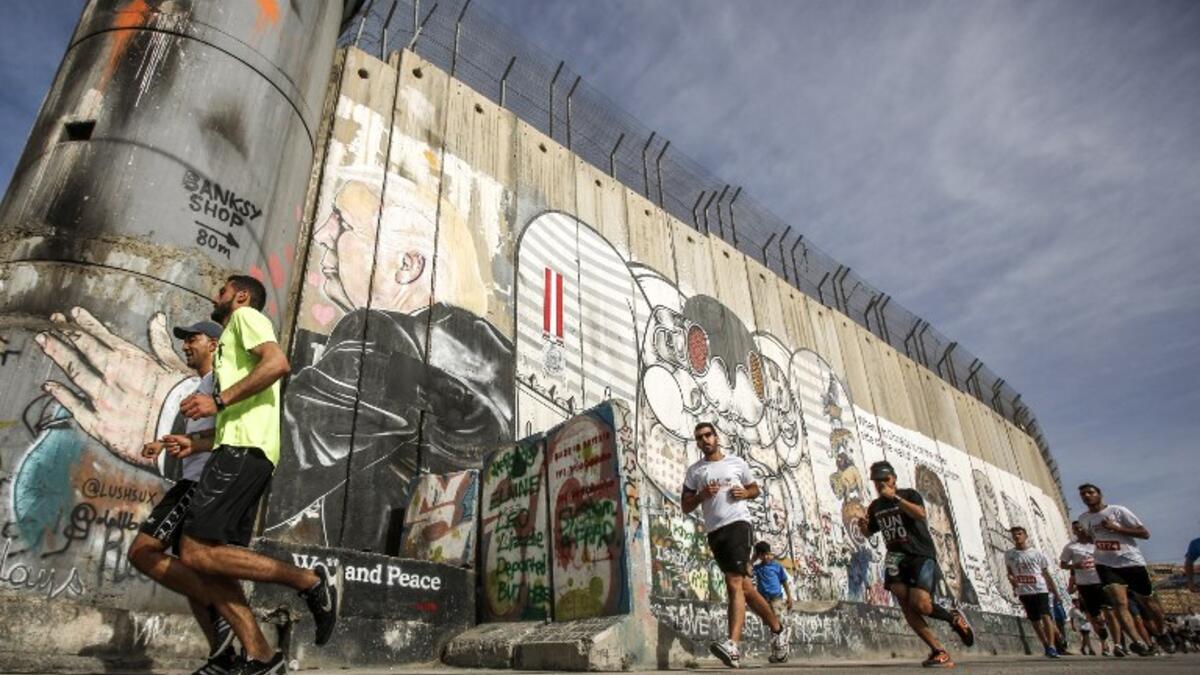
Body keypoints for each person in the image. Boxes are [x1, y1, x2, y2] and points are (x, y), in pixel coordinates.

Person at [165, 275, 343, 675]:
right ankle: (262, 659)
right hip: (238, 449)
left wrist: (217, 400)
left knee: (192, 552)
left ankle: (310, 581)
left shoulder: (245, 318)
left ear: (241, 296)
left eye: (222, 291)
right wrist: (198, 440)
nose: (216, 296)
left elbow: (278, 363)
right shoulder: (231, 343)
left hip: (245, 450)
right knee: (211, 562)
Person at [126, 320, 237, 671]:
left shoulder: (222, 381)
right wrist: (163, 443)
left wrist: (196, 447)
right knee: (194, 570)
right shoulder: (200, 385)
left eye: (193, 339)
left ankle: (225, 611)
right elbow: (202, 433)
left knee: (143, 552)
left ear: (215, 344)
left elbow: (235, 429)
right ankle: (224, 657)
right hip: (192, 479)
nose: (186, 345)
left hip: (203, 482)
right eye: (185, 340)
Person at [682, 422, 789, 667]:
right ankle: (778, 629)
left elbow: (755, 489)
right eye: (699, 438)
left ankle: (733, 646)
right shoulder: (695, 472)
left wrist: (745, 493)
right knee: (746, 588)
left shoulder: (736, 463)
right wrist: (701, 495)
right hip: (714, 532)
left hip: (738, 525)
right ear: (697, 443)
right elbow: (685, 505)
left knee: (733, 583)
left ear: (716, 437)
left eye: (708, 435)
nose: (705, 440)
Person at [857, 461, 974, 668]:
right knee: (905, 602)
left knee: (921, 604)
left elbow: (920, 514)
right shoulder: (875, 507)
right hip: (895, 556)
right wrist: (863, 527)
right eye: (877, 481)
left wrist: (895, 498)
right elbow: (870, 532)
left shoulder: (909, 494)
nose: (881, 484)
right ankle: (939, 650)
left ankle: (953, 618)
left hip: (920, 555)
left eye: (885, 479)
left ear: (893, 479)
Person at [1076, 483, 1173, 656]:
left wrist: (1117, 528)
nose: (1087, 496)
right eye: (1083, 494)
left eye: (1090, 492)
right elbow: (1093, 539)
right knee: (1119, 604)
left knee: (1148, 603)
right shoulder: (1083, 519)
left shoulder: (1118, 511)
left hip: (1131, 562)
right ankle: (1137, 643)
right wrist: (1085, 538)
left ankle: (1162, 632)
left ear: (1099, 494)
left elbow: (1145, 533)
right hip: (1105, 564)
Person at [1005, 526, 1062, 658]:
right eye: (1014, 535)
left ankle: (1053, 646)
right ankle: (1046, 644)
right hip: (1024, 591)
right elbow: (1009, 572)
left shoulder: (1037, 554)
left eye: (1019, 534)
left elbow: (1046, 573)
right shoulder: (1009, 555)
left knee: (1046, 616)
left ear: (1025, 536)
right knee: (1035, 620)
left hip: (1040, 589)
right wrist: (1012, 581)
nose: (1017, 537)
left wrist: (1056, 593)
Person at [1060, 521, 1113, 656]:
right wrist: (1074, 569)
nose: (1078, 530)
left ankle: (1110, 643)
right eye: (1075, 528)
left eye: (1080, 527)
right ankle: (1103, 640)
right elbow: (1066, 568)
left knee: (1108, 613)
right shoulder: (1071, 547)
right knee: (1095, 619)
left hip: (1101, 583)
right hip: (1085, 589)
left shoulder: (1097, 542)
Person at [752, 541, 794, 637]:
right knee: (768, 625)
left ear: (770, 553)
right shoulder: (757, 568)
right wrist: (752, 560)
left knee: (779, 624)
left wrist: (789, 597)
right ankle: (774, 646)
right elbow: (748, 571)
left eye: (767, 554)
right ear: (758, 556)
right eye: (762, 555)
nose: (766, 557)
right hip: (763, 600)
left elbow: (784, 582)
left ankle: (781, 645)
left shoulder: (776, 566)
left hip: (776, 600)